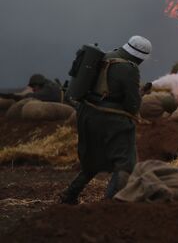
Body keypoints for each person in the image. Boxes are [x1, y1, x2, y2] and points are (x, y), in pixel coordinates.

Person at [59, 35, 152, 204]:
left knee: (92, 160)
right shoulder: (130, 68)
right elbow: (132, 105)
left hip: (87, 114)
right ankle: (111, 203)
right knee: (125, 162)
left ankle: (70, 195)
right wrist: (140, 95)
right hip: (111, 119)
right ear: (139, 57)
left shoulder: (105, 56)